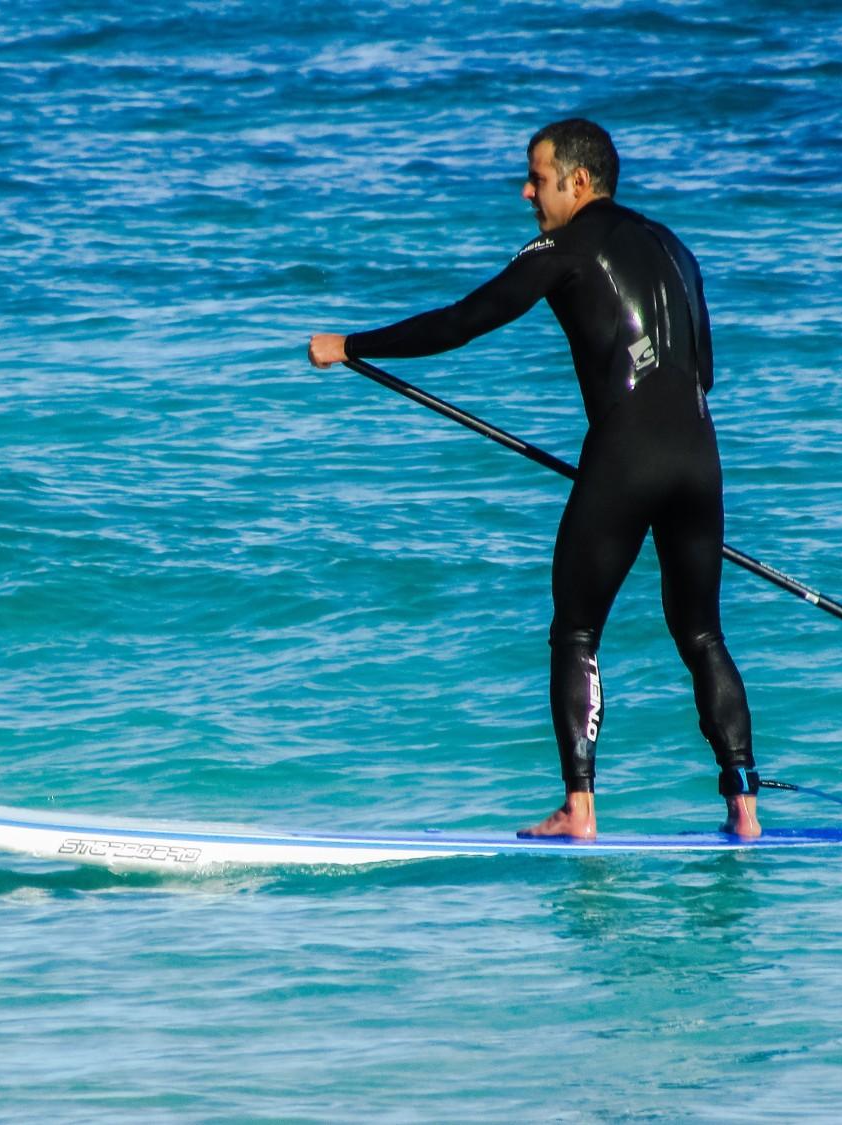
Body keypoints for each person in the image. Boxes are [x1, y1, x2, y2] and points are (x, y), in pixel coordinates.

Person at [307, 118, 760, 839]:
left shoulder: (568, 244)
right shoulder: (675, 247)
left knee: (576, 628)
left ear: (577, 182)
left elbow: (466, 319)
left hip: (627, 451)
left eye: (537, 177)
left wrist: (351, 344)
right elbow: (704, 369)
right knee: (701, 631)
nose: (527, 192)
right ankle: (745, 808)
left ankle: (579, 807)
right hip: (701, 455)